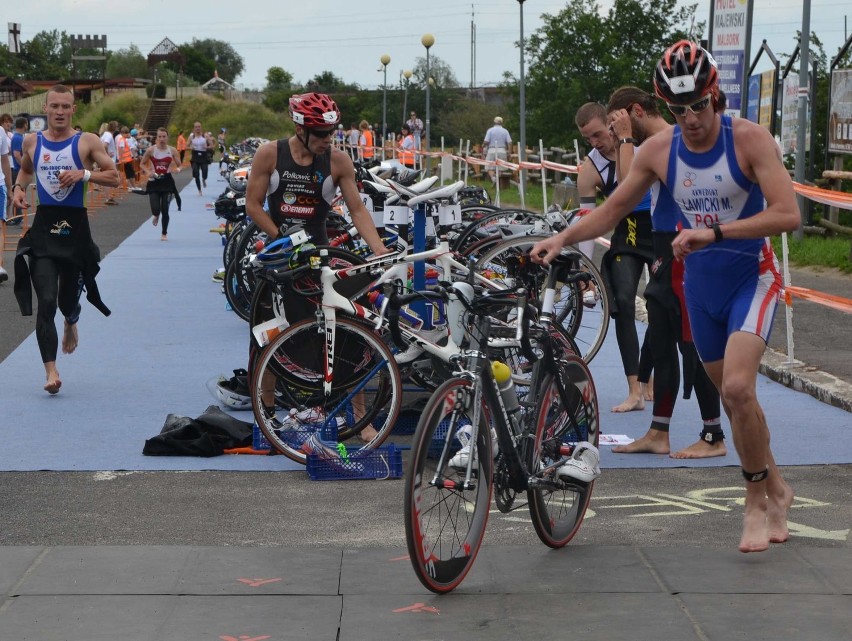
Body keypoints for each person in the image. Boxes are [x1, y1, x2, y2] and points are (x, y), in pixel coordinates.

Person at [532, 40, 799, 553]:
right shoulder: (659, 151)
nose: (693, 118)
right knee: (739, 400)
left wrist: (716, 233)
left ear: (714, 95)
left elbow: (788, 214)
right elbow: (611, 210)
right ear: (665, 107)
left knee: (740, 389)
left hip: (750, 277)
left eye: (699, 104)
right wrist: (562, 239)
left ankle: (754, 501)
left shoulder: (749, 139)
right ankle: (778, 486)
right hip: (701, 286)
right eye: (680, 109)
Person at [243, 92, 391, 438]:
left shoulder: (338, 161)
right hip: (282, 251)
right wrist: (283, 237)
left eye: (332, 133)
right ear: (299, 128)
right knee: (270, 332)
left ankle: (360, 418)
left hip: (321, 253)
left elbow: (356, 210)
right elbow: (253, 205)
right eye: (321, 134)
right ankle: (265, 413)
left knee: (346, 329)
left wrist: (380, 250)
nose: (328, 140)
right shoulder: (270, 154)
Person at [605, 86, 724, 458]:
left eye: (617, 122)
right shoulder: (652, 145)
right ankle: (659, 431)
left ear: (635, 111)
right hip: (661, 243)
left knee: (694, 341)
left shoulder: (668, 143)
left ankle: (713, 434)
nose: (613, 134)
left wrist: (625, 137)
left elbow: (626, 188)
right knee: (660, 338)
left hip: (684, 246)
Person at [10, 84, 120, 394]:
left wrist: (84, 175)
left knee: (66, 300)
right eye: (54, 106)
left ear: (73, 110)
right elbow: (25, 172)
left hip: (74, 231)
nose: (59, 112)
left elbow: (114, 176)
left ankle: (71, 319)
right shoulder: (33, 141)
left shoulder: (86, 142)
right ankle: (51, 371)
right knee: (46, 301)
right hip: (45, 229)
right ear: (45, 108)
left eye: (65, 107)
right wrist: (19, 190)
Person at [574, 101, 654, 413]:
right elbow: (586, 222)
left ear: (610, 122)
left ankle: (649, 375)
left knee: (662, 306)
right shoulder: (590, 169)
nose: (595, 142)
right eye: (588, 139)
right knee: (621, 301)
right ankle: (634, 388)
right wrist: (586, 268)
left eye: (597, 134)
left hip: (660, 225)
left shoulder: (642, 140)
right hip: (629, 230)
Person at [139, 127, 182, 241]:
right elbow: (142, 164)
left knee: (165, 209)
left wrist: (178, 169)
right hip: (154, 182)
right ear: (156, 138)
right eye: (160, 137)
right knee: (156, 209)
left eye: (164, 136)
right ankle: (156, 215)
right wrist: (148, 172)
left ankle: (164, 233)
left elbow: (179, 165)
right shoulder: (151, 150)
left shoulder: (172, 150)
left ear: (167, 138)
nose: (162, 139)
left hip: (167, 181)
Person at [482, 116, 512, 185]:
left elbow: (486, 141)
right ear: (502, 123)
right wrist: (509, 153)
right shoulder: (505, 131)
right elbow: (509, 143)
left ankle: (494, 179)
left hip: (492, 150)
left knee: (489, 166)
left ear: (494, 122)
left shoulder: (490, 130)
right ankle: (499, 181)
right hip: (502, 150)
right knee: (501, 167)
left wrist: (483, 145)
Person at [188, 121, 213, 195]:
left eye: (199, 127)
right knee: (196, 173)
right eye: (196, 127)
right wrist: (190, 147)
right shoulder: (191, 136)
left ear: (201, 127)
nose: (197, 128)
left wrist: (207, 147)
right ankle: (199, 190)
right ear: (194, 128)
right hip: (195, 156)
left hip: (203, 156)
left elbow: (212, 145)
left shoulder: (205, 135)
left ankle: (204, 179)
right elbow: (186, 146)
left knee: (205, 172)